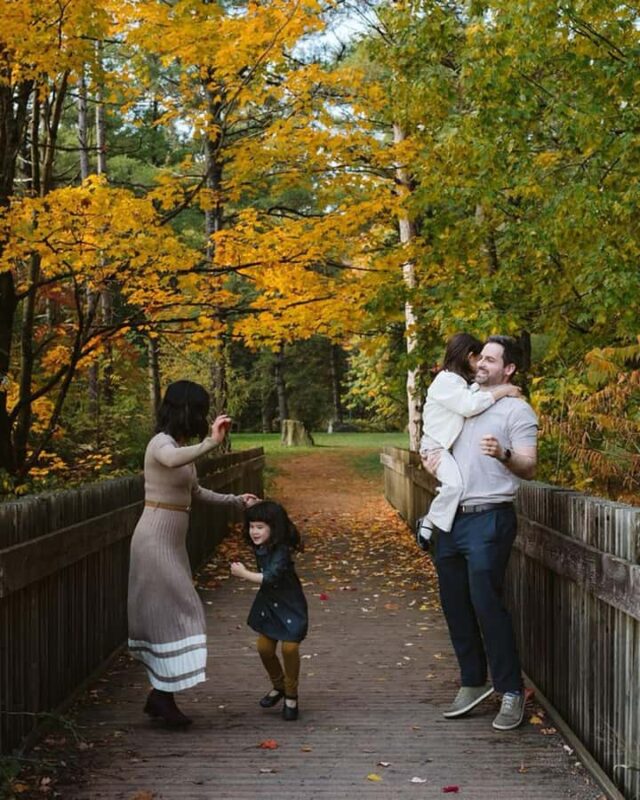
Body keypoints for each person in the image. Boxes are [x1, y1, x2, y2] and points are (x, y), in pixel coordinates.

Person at [128, 380, 259, 727]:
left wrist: (235, 501)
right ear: (184, 410)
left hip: (171, 542)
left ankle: (160, 697)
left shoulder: (180, 446)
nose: (202, 417)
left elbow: (196, 492)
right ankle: (161, 696)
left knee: (168, 615)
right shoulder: (161, 444)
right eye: (199, 411)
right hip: (154, 540)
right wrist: (211, 443)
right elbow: (171, 460)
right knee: (180, 610)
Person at [425, 336, 538, 731]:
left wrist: (504, 455)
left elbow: (529, 465)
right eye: (481, 358)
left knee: (487, 604)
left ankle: (510, 691)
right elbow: (437, 437)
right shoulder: (462, 396)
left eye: (491, 360)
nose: (482, 364)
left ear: (509, 369)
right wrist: (430, 458)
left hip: (490, 518)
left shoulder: (516, 409)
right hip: (451, 520)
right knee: (454, 604)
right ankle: (472, 682)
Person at [416, 333, 522, 548]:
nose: (481, 364)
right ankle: (427, 525)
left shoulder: (457, 382)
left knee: (455, 486)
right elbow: (469, 406)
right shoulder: (445, 381)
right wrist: (505, 390)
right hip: (435, 448)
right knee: (454, 486)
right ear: (468, 356)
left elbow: (472, 396)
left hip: (442, 448)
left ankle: (434, 525)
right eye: (478, 358)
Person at [230, 500, 308, 722]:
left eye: (260, 527)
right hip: (270, 604)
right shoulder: (262, 545)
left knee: (290, 648)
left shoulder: (281, 550)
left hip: (290, 604)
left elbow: (271, 576)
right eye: (252, 526)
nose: (254, 532)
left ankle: (291, 694)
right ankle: (279, 686)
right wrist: (254, 505)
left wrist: (244, 574)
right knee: (264, 648)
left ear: (275, 528)